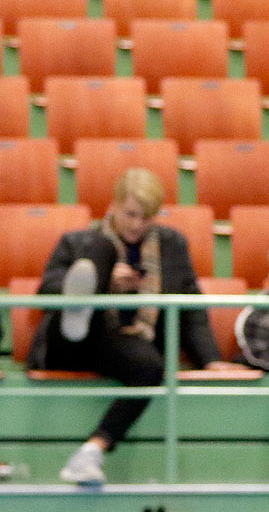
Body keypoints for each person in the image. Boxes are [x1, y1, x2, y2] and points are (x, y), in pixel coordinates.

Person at [34, 168, 249, 486]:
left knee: (151, 368)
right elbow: (46, 291)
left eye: (146, 218)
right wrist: (105, 284)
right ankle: (82, 300)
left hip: (126, 341)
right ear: (114, 206)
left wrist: (211, 360)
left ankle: (93, 450)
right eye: (130, 214)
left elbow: (189, 304)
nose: (137, 225)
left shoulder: (170, 244)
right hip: (70, 343)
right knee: (100, 253)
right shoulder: (79, 242)